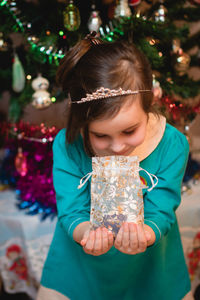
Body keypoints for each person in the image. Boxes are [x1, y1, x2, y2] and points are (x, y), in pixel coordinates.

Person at [37, 32, 192, 300]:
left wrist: (145, 232)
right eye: (100, 136)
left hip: (151, 268)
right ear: (83, 125)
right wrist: (87, 233)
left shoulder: (172, 144)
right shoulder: (68, 144)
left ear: (150, 103)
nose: (118, 147)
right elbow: (71, 208)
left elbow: (162, 205)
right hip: (80, 267)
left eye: (130, 131)